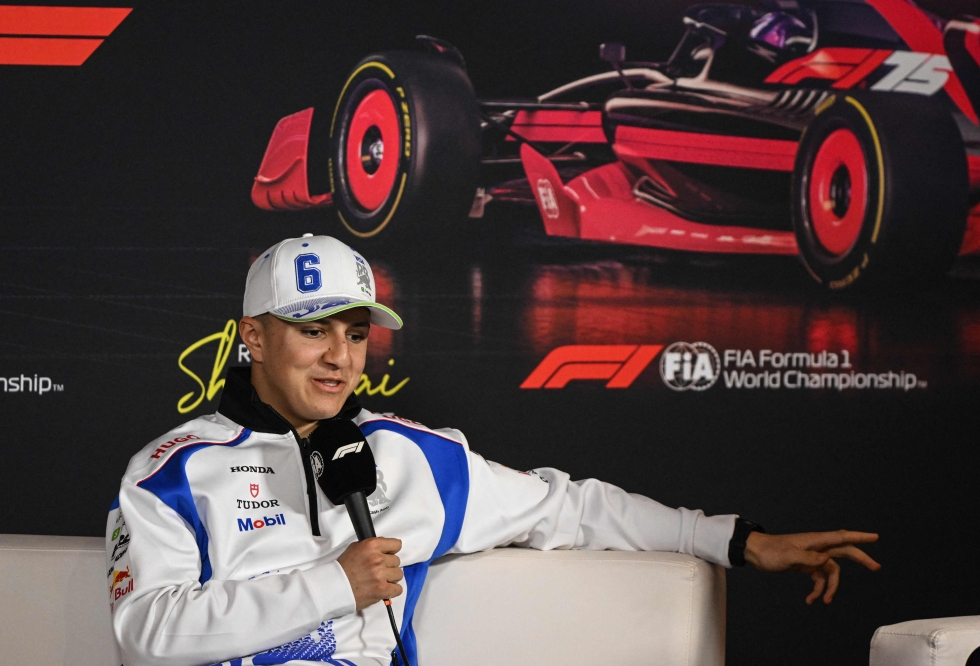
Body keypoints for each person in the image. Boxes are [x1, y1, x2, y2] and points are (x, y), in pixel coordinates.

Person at [106, 233, 881, 666]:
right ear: (252, 337)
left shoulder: (410, 457)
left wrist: (741, 541)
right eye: (313, 330)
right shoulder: (170, 469)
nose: (340, 357)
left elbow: (573, 509)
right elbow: (147, 635)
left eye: (354, 332)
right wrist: (331, 585)